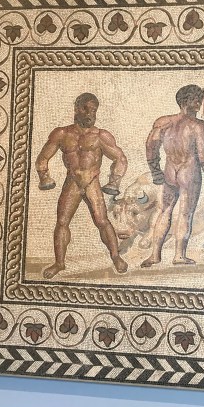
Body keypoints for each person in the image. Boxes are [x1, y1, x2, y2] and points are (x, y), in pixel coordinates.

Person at [35, 92, 128, 279]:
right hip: (72, 182)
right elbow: (43, 157)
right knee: (62, 222)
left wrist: (114, 181)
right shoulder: (62, 134)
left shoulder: (100, 135)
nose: (91, 114)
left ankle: (116, 256)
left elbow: (120, 158)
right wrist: (44, 176)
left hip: (92, 182)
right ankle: (59, 263)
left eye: (94, 110)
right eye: (87, 109)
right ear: (77, 108)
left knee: (102, 221)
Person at [141, 84, 204, 267]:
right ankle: (179, 256)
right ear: (188, 101)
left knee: (164, 211)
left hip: (170, 171)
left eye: (200, 100)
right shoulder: (199, 126)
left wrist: (155, 170)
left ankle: (154, 255)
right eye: (197, 100)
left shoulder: (163, 122)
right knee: (185, 213)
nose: (200, 104)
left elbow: (151, 146)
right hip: (189, 172)